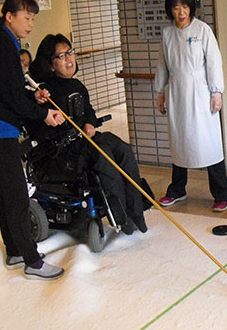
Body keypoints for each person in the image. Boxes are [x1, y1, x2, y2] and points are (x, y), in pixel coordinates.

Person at [0, 0, 65, 280]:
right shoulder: (1, 44)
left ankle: (14, 249)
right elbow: (10, 96)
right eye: (27, 17)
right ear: (9, 16)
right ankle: (31, 260)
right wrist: (43, 114)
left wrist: (33, 97)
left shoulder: (4, 41)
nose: (31, 23)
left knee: (7, 192)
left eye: (33, 18)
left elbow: (9, 89)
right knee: (17, 195)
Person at [27, 33, 148, 235]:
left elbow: (89, 111)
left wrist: (90, 123)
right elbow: (40, 127)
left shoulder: (77, 85)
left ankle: (136, 213)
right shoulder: (43, 93)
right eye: (61, 56)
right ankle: (122, 218)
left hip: (85, 139)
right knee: (104, 156)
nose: (69, 59)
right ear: (50, 64)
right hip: (63, 149)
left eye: (70, 52)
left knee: (123, 149)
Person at [154, 0, 227, 212]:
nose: (181, 12)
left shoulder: (203, 30)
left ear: (191, 7)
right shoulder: (167, 34)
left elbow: (214, 63)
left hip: (201, 93)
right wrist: (160, 92)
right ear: (170, 9)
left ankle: (222, 194)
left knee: (209, 143)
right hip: (177, 93)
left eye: (185, 6)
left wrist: (217, 93)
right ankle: (177, 189)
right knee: (180, 141)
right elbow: (162, 65)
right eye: (176, 7)